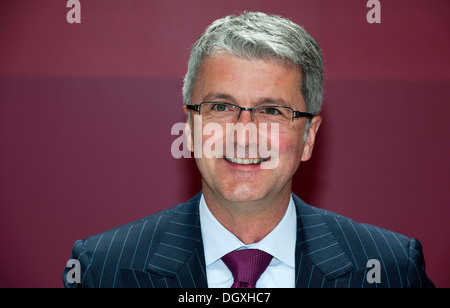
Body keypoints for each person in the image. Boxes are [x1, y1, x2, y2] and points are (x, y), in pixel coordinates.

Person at [63, 11, 434, 288]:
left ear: (308, 137)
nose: (244, 135)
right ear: (190, 128)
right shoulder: (101, 269)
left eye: (271, 110)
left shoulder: (390, 268)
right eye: (221, 107)